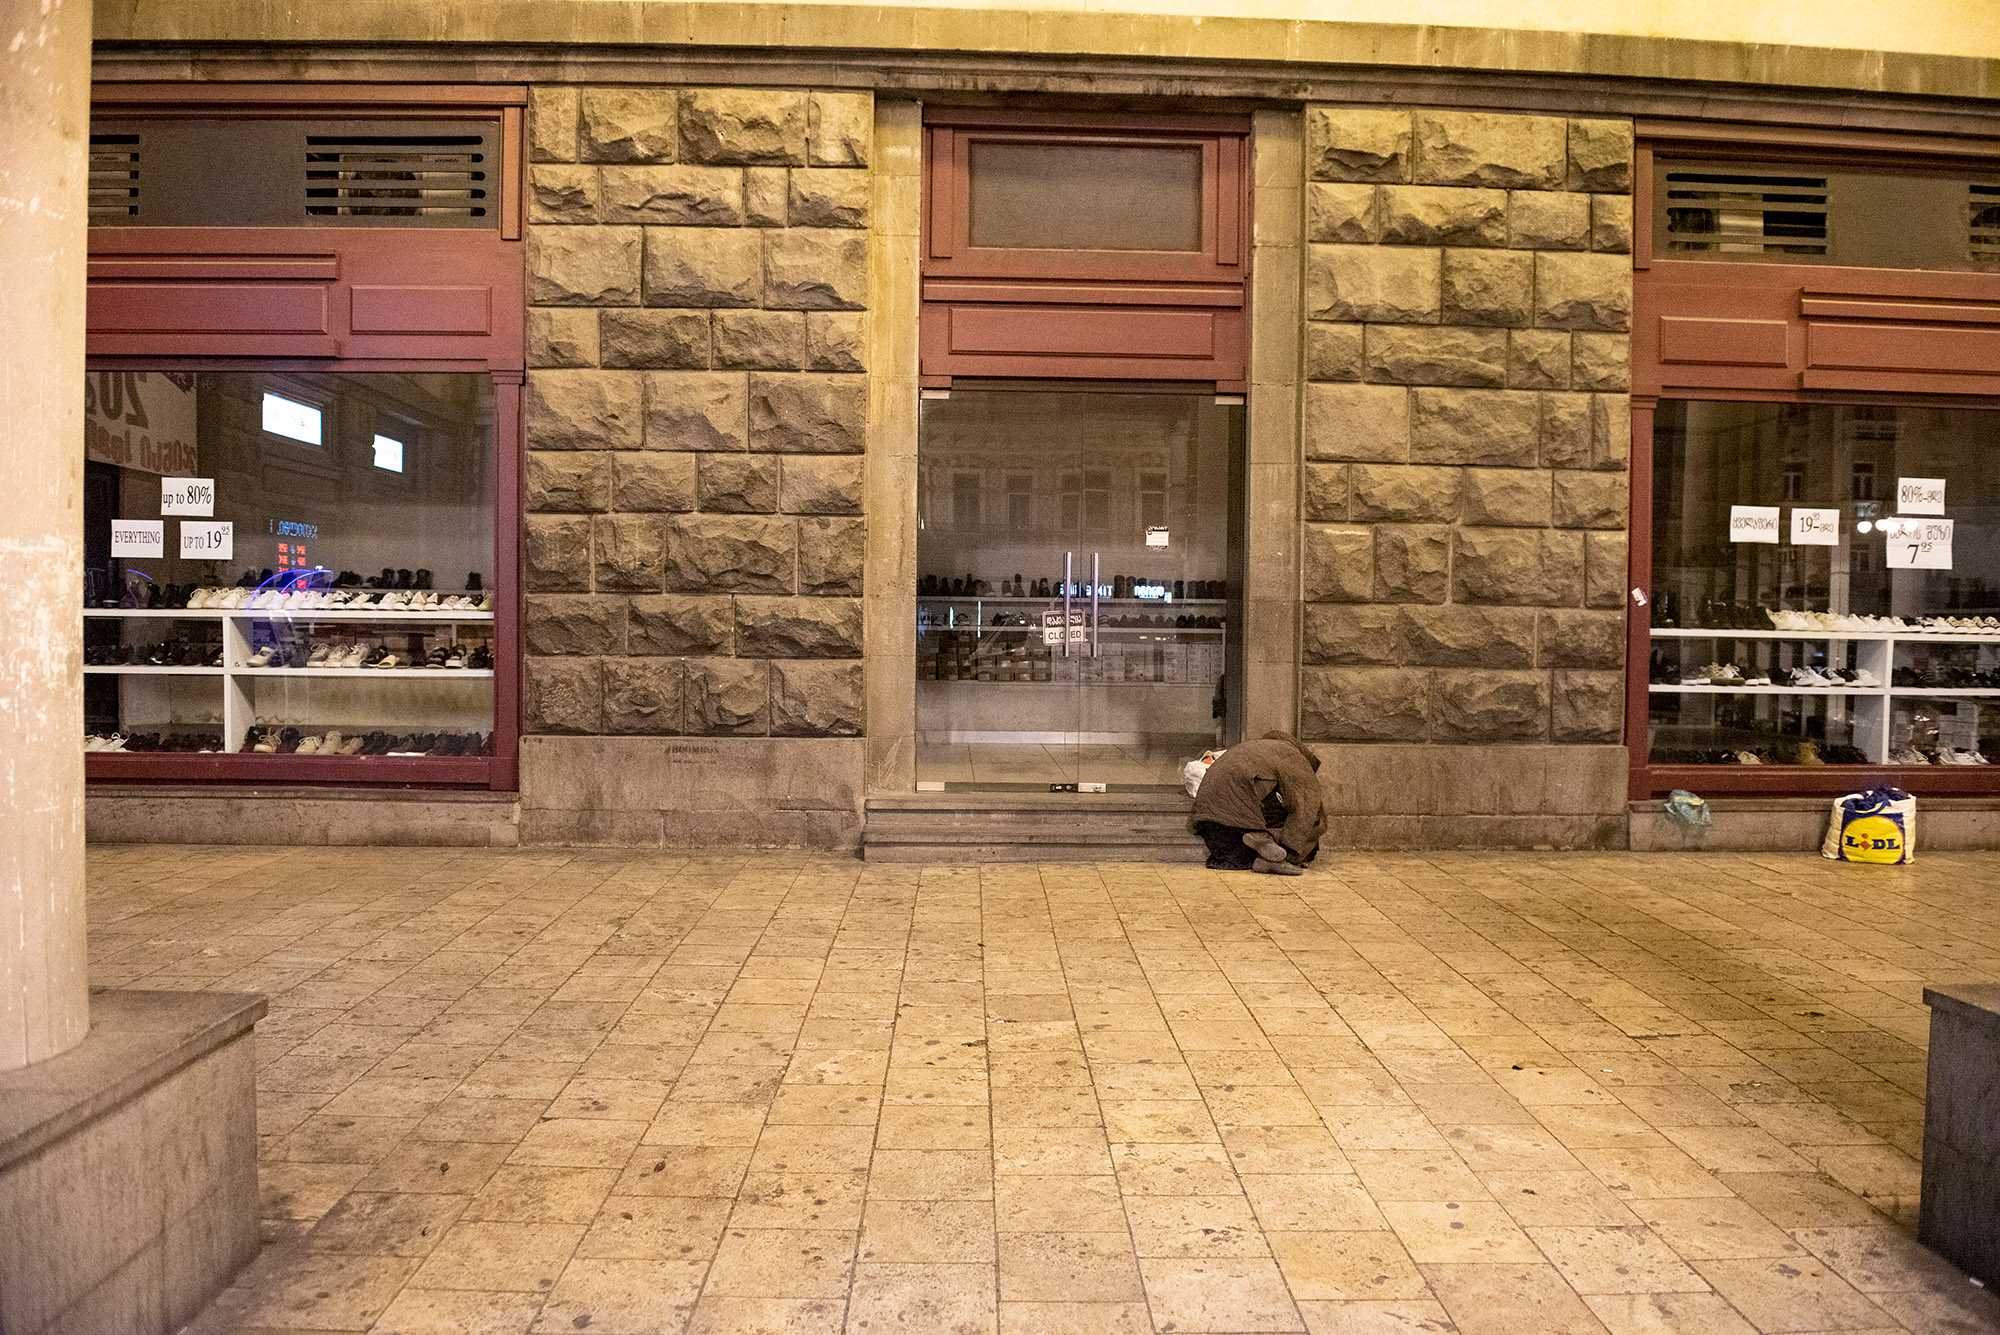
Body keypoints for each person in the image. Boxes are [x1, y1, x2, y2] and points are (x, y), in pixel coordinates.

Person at [1188, 731, 1326, 875]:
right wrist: (1292, 851)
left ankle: (1264, 846)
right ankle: (1272, 849)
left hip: (1210, 823)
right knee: (1311, 814)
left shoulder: (1253, 747)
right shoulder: (1294, 757)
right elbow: (1306, 809)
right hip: (1240, 815)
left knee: (1237, 856)